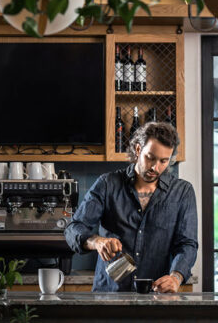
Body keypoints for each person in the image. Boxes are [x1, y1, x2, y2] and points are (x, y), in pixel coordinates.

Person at [64, 122, 198, 292]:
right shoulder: (107, 184)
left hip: (156, 297)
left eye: (164, 161)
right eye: (150, 157)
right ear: (137, 149)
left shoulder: (182, 192)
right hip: (109, 296)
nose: (155, 167)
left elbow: (187, 244)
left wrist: (176, 277)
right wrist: (97, 242)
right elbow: (73, 229)